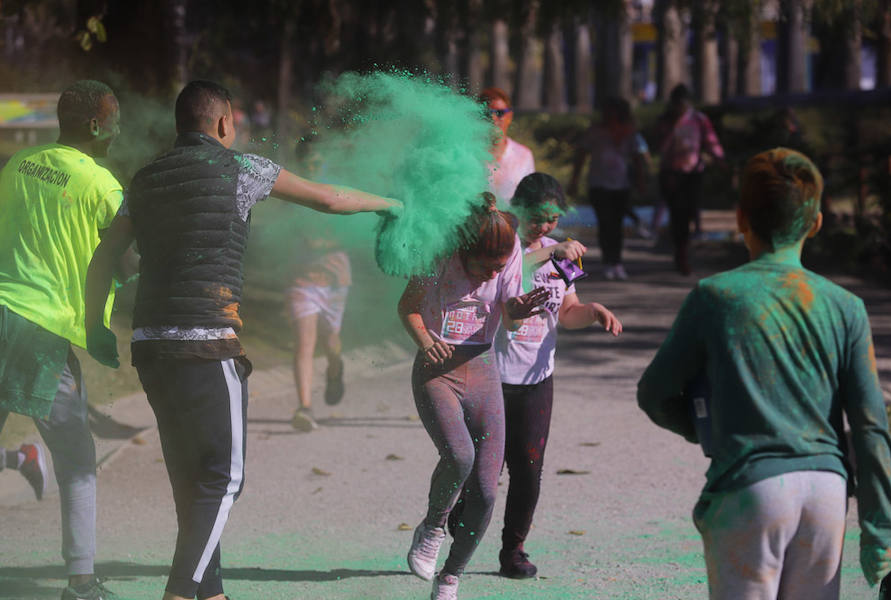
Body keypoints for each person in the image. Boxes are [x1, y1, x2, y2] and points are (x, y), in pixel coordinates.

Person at [84, 80, 401, 600]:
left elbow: (103, 260)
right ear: (225, 124)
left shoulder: (144, 179)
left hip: (150, 346)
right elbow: (328, 199)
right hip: (207, 344)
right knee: (223, 480)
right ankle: (181, 593)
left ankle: (210, 592)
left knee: (192, 480)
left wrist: (96, 327)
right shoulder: (243, 169)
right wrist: (389, 202)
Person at [637, 148, 891, 599]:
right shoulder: (846, 307)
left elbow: (654, 393)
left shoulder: (715, 297)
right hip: (827, 492)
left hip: (749, 489)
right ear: (816, 223)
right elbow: (872, 425)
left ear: (740, 218)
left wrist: (704, 430)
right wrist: (880, 530)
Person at [0, 79, 125, 600]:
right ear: (96, 125)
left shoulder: (16, 167)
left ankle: (22, 458)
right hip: (41, 332)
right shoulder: (102, 186)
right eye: (115, 120)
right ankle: (81, 581)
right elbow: (127, 258)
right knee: (76, 457)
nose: (118, 132)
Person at [400, 193, 549, 600]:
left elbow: (509, 313)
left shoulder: (511, 249)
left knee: (485, 489)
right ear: (465, 253)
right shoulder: (440, 254)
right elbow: (407, 307)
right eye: (485, 268)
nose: (491, 275)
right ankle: (432, 525)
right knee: (460, 455)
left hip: (483, 368)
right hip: (437, 369)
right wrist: (426, 341)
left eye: (499, 268)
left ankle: (451, 576)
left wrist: (520, 307)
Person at [490, 172, 622, 578]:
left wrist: (593, 310)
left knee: (528, 470)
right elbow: (502, 275)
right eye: (538, 216)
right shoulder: (498, 243)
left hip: (536, 381)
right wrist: (552, 252)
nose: (545, 225)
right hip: (489, 377)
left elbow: (567, 311)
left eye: (552, 219)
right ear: (518, 207)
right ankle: (451, 539)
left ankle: (513, 551)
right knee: (480, 472)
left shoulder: (559, 253)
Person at [569, 97, 651, 280]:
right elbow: (581, 155)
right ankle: (608, 261)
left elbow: (638, 158)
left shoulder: (629, 133)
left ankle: (617, 262)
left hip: (621, 185)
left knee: (617, 225)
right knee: (605, 223)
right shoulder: (595, 132)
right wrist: (575, 180)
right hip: (599, 184)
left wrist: (641, 181)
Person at [654, 83, 724, 275]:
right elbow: (660, 147)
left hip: (693, 173)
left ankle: (683, 249)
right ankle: (681, 253)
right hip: (671, 173)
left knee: (690, 211)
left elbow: (711, 141)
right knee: (678, 214)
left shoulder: (699, 120)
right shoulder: (666, 121)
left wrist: (720, 158)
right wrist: (674, 128)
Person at [287, 233, 352, 432]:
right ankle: (305, 407)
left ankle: (335, 367)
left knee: (331, 343)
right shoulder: (295, 208)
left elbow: (353, 236)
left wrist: (323, 242)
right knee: (304, 344)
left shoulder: (340, 216)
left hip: (335, 282)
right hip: (303, 283)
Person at [478, 87, 535, 203]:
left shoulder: (524, 155)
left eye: (499, 113)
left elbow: (530, 200)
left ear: (509, 117)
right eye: (486, 113)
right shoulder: (468, 153)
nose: (493, 118)